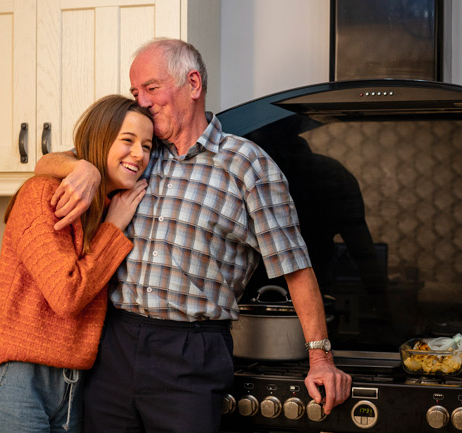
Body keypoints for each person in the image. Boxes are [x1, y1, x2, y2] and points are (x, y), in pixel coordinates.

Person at [34, 38, 352, 433]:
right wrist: (84, 168)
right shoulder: (137, 154)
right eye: (135, 92)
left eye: (151, 88)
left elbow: (296, 268)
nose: (142, 102)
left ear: (194, 84)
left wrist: (320, 359)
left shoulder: (247, 165)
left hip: (191, 353)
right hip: (112, 347)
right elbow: (44, 163)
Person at [0, 94, 154, 433]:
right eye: (127, 141)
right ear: (99, 139)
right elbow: (66, 295)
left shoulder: (104, 206)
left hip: (73, 385)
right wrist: (114, 229)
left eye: (147, 146)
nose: (139, 155)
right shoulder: (42, 194)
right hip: (19, 380)